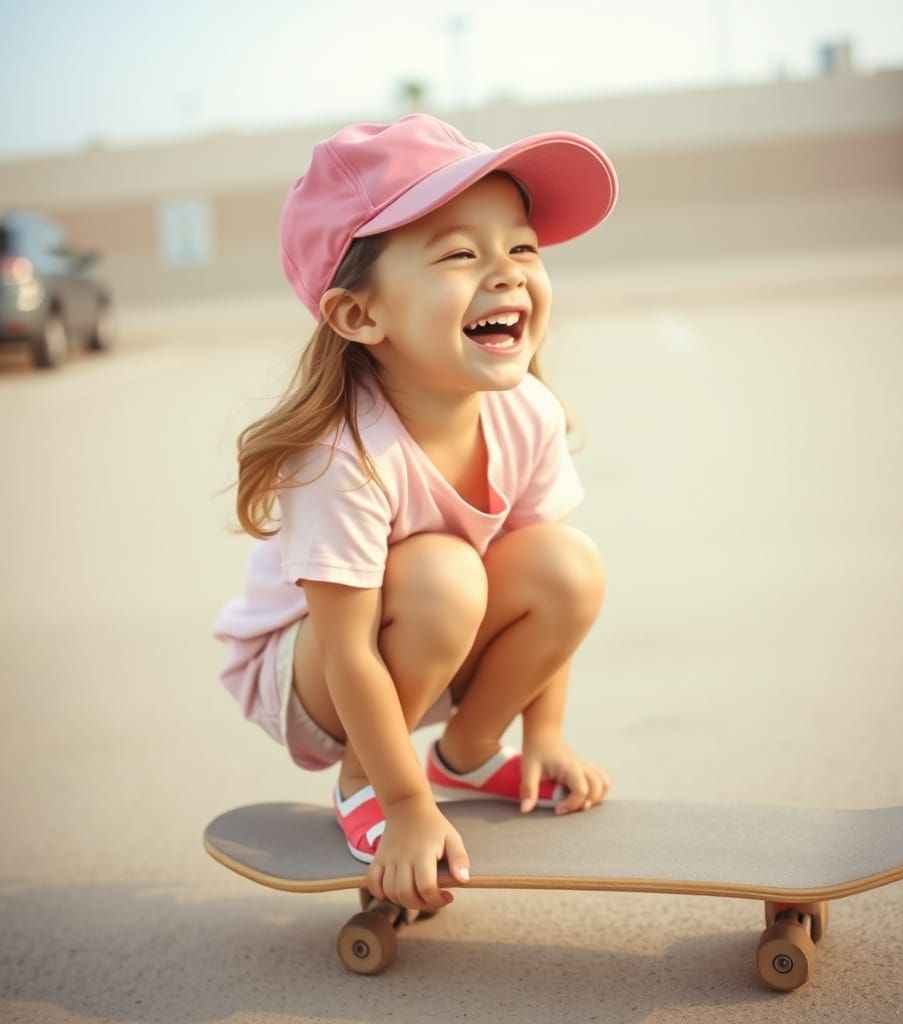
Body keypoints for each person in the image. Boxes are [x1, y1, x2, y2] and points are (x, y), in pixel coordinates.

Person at [211, 112, 617, 914]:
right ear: (362, 316)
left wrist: (546, 734)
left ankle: (466, 755)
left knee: (567, 563)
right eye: (462, 254)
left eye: (523, 247)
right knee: (444, 572)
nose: (506, 274)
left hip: (431, 637)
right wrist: (403, 810)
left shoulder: (526, 411)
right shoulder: (340, 455)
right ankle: (369, 782)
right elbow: (349, 646)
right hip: (315, 677)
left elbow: (545, 583)